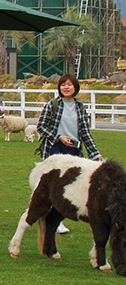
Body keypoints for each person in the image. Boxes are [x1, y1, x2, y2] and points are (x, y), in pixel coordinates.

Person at [37, 73, 102, 234]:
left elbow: (85, 133)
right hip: (55, 150)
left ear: (75, 87)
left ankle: (58, 219)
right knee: (53, 186)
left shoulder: (80, 107)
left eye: (69, 84)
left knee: (68, 187)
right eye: (63, 84)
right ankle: (46, 216)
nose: (66, 87)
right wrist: (59, 137)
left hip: (74, 151)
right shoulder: (53, 105)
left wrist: (95, 154)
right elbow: (41, 127)